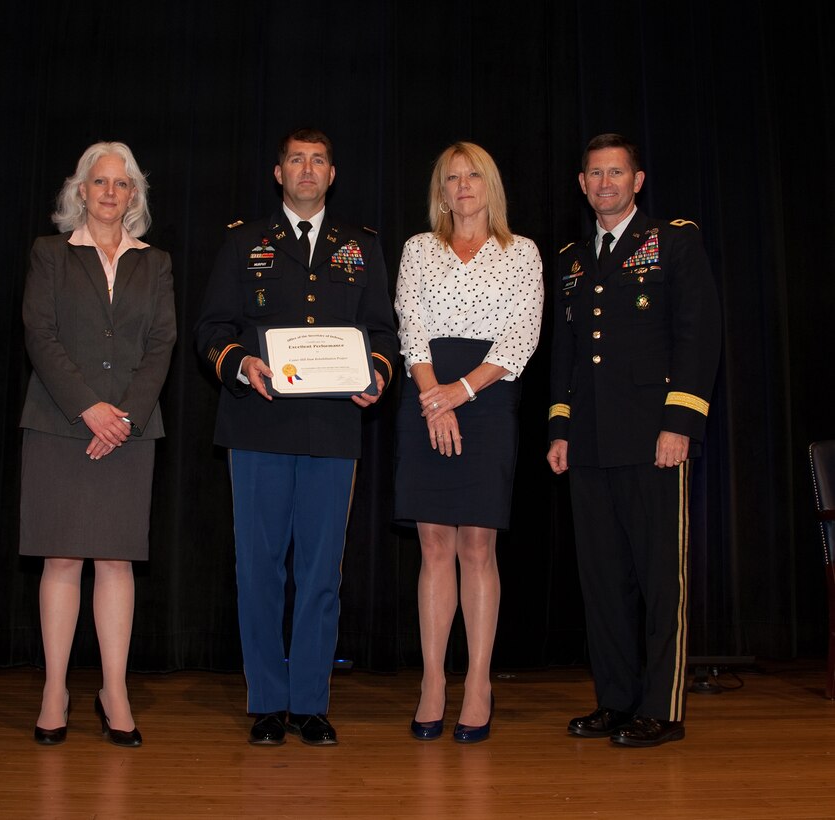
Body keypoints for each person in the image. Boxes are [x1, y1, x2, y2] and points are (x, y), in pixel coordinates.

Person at [194, 127, 398, 746]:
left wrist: (379, 375)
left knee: (320, 572)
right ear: (278, 173)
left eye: (318, 161)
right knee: (259, 567)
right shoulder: (243, 242)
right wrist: (239, 362)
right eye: (295, 160)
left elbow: (383, 332)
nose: (307, 170)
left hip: (333, 428)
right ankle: (266, 701)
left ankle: (309, 701)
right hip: (257, 425)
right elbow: (211, 326)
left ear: (331, 175)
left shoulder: (361, 247)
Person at [547, 133, 721, 747]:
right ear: (582, 183)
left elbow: (698, 337)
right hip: (591, 442)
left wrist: (681, 423)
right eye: (595, 174)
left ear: (638, 180)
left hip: (655, 439)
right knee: (603, 579)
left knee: (659, 578)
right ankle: (616, 701)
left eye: (617, 173)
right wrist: (560, 427)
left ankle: (662, 708)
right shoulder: (571, 258)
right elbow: (567, 354)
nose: (606, 184)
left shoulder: (673, 242)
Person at [20, 141, 176, 747]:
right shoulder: (50, 254)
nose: (111, 192)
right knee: (61, 559)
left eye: (122, 184)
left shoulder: (155, 262)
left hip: (130, 433)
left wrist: (125, 418)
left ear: (133, 195)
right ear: (79, 190)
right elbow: (40, 333)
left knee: (115, 561)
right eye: (99, 182)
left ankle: (114, 691)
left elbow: (161, 344)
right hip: (61, 425)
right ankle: (54, 690)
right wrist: (89, 408)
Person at [395, 142, 544, 744]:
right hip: (425, 392)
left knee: (477, 547)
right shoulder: (417, 249)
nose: (462, 187)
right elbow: (412, 328)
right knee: (434, 545)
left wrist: (459, 394)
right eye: (451, 178)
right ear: (440, 190)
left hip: (486, 398)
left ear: (491, 186)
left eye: (473, 176)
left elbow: (520, 338)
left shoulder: (522, 253)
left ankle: (478, 683)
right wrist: (435, 398)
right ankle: (434, 682)